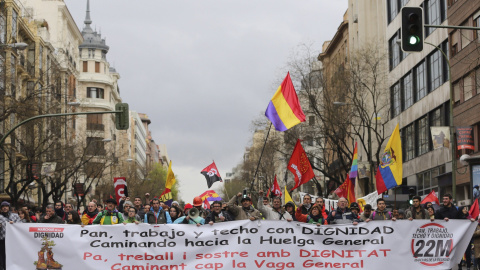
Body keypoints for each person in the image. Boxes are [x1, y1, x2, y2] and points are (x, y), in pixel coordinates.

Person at [0, 201, 22, 270]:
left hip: (12, 240)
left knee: (11, 256)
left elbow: (21, 225)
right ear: (1, 208)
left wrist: (14, 223)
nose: (5, 208)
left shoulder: (15, 216)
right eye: (3, 207)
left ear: (9, 207)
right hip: (2, 239)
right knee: (2, 256)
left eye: (6, 206)